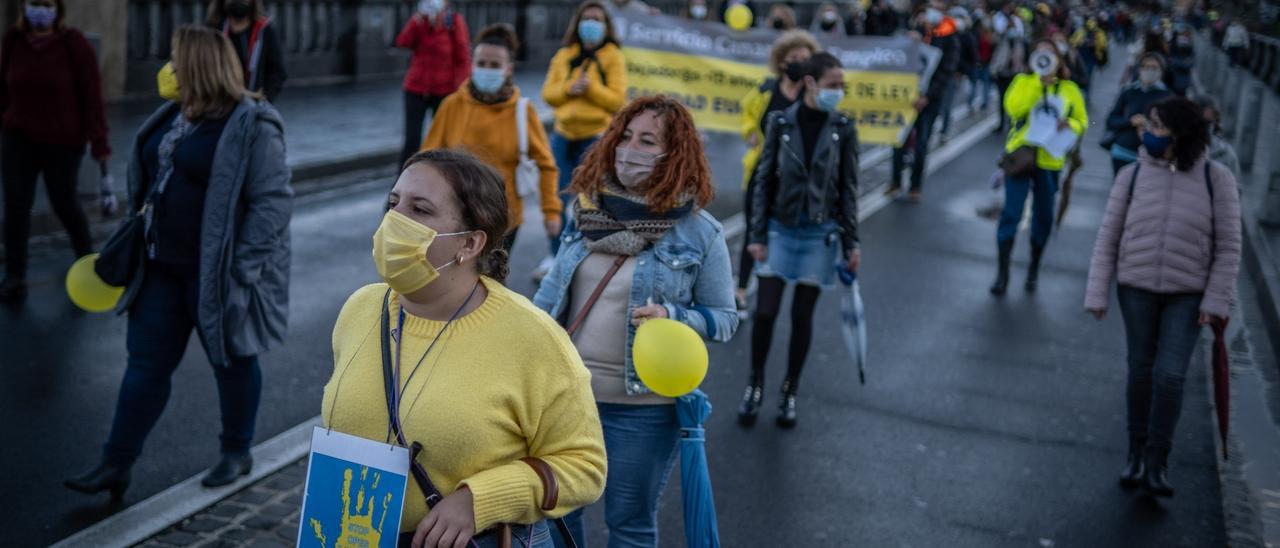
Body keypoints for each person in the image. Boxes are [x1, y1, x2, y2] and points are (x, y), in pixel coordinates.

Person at [325, 148, 606, 547]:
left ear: (471, 243)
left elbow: (585, 467)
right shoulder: (361, 308)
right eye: (393, 203)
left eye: (420, 209)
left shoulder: (531, 337)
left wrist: (479, 500)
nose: (394, 220)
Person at [64, 25, 292, 498]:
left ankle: (236, 451)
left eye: (174, 58)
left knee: (231, 359)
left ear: (198, 65)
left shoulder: (253, 123)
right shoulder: (174, 113)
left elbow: (272, 204)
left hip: (216, 275)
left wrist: (241, 270)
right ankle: (116, 462)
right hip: (159, 267)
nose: (167, 68)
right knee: (145, 365)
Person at [533, 96, 737, 548]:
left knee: (629, 524)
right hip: (569, 398)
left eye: (647, 141)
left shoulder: (701, 232)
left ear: (674, 153)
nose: (630, 149)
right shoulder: (587, 211)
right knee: (559, 517)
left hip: (644, 409)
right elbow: (548, 300)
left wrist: (673, 316)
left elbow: (725, 320)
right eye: (625, 136)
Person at [1085, 96, 1241, 498]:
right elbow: (1108, 237)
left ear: (1181, 134)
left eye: (1157, 127)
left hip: (1188, 295)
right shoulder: (1132, 175)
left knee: (1170, 376)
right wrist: (1097, 291)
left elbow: (1229, 247)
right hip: (1135, 288)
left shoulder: (1217, 178)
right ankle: (1136, 453)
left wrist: (1216, 301)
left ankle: (1158, 461)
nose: (1148, 133)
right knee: (1140, 371)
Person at [743, 53, 860, 428]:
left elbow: (848, 188)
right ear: (810, 83)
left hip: (819, 233)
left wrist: (852, 243)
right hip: (780, 227)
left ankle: (789, 391)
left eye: (841, 85)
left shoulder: (844, 127)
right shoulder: (780, 122)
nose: (839, 91)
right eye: (832, 85)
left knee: (801, 316)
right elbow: (763, 181)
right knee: (765, 311)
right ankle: (755, 384)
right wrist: (757, 235)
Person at [0, 0, 110, 302]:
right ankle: (15, 276)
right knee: (16, 206)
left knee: (64, 203)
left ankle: (87, 264)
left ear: (57, 9)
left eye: (46, 4)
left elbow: (91, 97)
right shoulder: (14, 40)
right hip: (18, 138)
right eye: (33, 3)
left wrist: (100, 143)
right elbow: (3, 89)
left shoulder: (74, 44)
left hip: (62, 141)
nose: (39, 10)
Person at [421, 24, 561, 253]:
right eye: (481, 63)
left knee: (492, 275)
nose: (487, 69)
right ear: (472, 64)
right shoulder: (452, 105)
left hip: (504, 221)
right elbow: (427, 160)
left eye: (495, 65)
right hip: (456, 217)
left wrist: (551, 211)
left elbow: (546, 165)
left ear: (508, 69)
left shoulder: (522, 111)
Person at [536, 0, 628, 283]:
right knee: (556, 197)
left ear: (606, 25)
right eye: (587, 18)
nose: (591, 24)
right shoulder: (565, 55)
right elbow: (548, 94)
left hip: (594, 137)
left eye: (597, 19)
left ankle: (586, 256)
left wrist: (591, 89)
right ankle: (554, 254)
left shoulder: (613, 57)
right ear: (577, 23)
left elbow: (617, 99)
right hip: (563, 135)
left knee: (591, 202)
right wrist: (569, 88)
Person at [990, 40, 1087, 296]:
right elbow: (1014, 108)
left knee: (1043, 216)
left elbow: (1082, 121)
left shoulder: (1069, 88)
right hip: (1021, 155)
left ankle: (1033, 268)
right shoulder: (1023, 81)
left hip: (1050, 160)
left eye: (1050, 53)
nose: (1044, 56)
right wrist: (1037, 82)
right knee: (1011, 212)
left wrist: (1071, 125)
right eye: (1040, 52)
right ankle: (1002, 273)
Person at [737, 30, 819, 318]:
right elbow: (747, 112)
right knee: (753, 230)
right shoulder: (766, 89)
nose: (800, 63)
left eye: (805, 58)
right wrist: (750, 132)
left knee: (782, 233)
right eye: (794, 57)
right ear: (781, 62)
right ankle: (741, 290)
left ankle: (771, 291)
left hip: (795, 180)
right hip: (762, 172)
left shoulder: (814, 95)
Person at [888, 5, 959, 202]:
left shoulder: (949, 38)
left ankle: (915, 185)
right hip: (907, 99)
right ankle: (895, 181)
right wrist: (907, 40)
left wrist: (927, 97)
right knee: (898, 140)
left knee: (921, 143)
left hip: (929, 102)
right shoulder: (914, 31)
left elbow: (946, 71)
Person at [395, 0, 471, 167]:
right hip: (416, 88)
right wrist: (415, 21)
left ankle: (440, 176)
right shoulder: (420, 22)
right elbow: (403, 42)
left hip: (443, 90)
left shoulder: (453, 22)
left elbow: (463, 57)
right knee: (411, 139)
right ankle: (404, 177)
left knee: (442, 139)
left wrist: (462, 88)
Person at [206, 0, 287, 103]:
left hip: (254, 102)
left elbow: (277, 71)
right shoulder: (212, 30)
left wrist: (264, 97)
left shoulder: (264, 31)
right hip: (219, 103)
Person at [1104, 53, 1170, 175]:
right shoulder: (1129, 91)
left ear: (1161, 71)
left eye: (1154, 68)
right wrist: (1130, 121)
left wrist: (1150, 125)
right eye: (1146, 67)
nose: (1150, 71)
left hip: (1150, 157)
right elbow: (1111, 120)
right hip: (1122, 151)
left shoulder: (1167, 96)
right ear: (1139, 69)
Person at [1197, 96, 1241, 180]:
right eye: (1200, 122)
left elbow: (1234, 185)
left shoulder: (1227, 154)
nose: (1203, 128)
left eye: (1208, 123)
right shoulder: (1176, 150)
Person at [1070, 18, 1108, 84]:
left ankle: (1086, 86)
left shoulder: (1099, 33)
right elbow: (1072, 42)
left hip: (1091, 56)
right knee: (1081, 72)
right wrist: (1082, 43)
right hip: (1081, 55)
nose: (1091, 31)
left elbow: (1103, 45)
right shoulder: (1080, 31)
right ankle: (1083, 85)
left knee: (1088, 73)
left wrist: (1095, 43)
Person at [970, 19, 995, 110]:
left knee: (985, 84)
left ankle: (985, 102)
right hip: (979, 63)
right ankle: (971, 102)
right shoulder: (978, 38)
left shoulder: (991, 40)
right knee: (975, 84)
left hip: (986, 63)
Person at [1166, 29, 1194, 96]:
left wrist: (1175, 62)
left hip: (1182, 83)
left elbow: (1189, 64)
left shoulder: (1189, 49)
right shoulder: (1172, 48)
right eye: (1181, 36)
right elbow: (1169, 61)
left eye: (1185, 37)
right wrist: (1181, 63)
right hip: (1172, 81)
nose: (1183, 39)